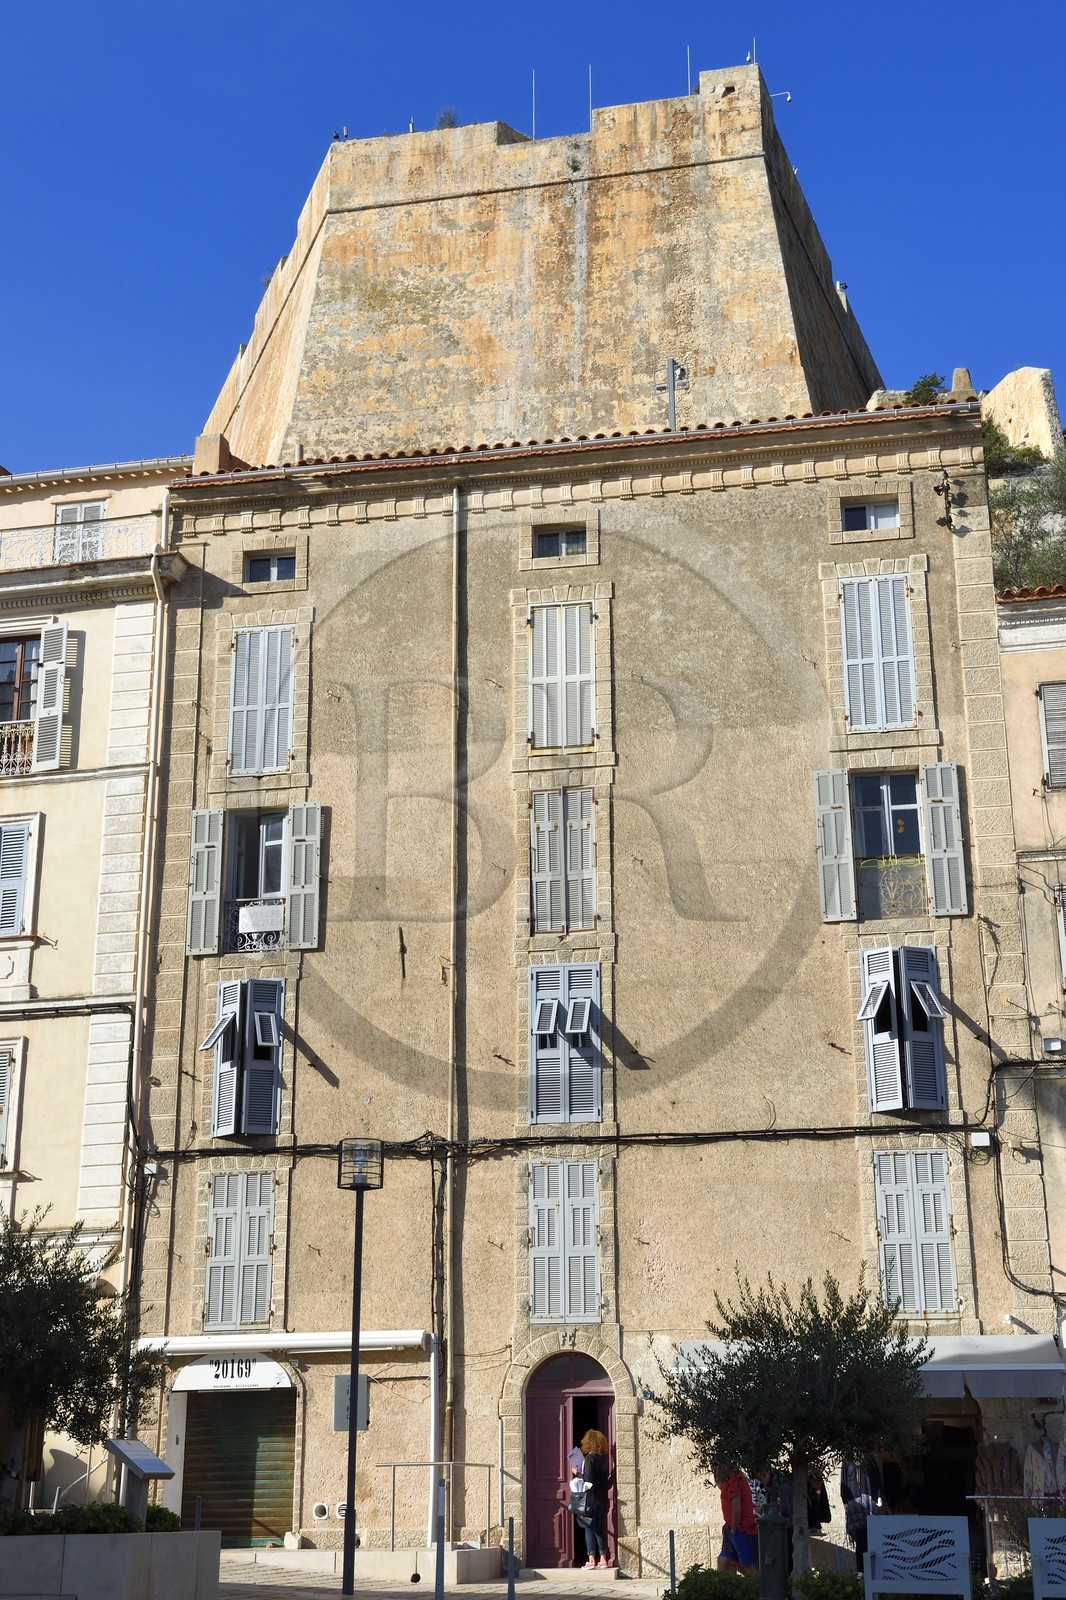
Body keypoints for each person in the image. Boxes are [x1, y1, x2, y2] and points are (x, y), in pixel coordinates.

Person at [572, 1428, 611, 1569]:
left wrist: (577, 1474)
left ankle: (591, 1560)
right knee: (599, 1528)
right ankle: (603, 1559)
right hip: (602, 1498)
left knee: (588, 1527)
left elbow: (588, 1480)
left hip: (591, 1498)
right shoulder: (603, 1458)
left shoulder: (589, 1458)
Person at [715, 1462, 759, 1576]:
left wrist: (734, 1529)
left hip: (740, 1528)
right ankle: (723, 1589)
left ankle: (758, 1588)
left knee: (749, 1565)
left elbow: (737, 1507)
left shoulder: (733, 1480)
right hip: (732, 1526)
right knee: (725, 1562)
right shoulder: (731, 1478)